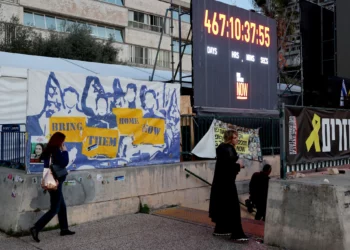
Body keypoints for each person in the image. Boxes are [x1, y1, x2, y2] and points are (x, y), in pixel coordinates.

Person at [30, 132, 75, 243]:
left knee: (62, 206)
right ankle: (36, 228)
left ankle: (64, 229)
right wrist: (64, 150)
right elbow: (64, 162)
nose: (64, 143)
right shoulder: (55, 151)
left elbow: (47, 167)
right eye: (63, 141)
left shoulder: (48, 150)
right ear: (59, 141)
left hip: (51, 181)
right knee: (55, 209)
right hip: (55, 183)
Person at [209, 130, 248, 243]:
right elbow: (228, 167)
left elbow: (224, 165)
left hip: (219, 183)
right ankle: (237, 234)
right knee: (233, 208)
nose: (237, 139)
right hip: (227, 184)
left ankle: (221, 229)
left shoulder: (222, 148)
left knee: (222, 205)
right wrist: (239, 165)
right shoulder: (229, 149)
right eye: (235, 137)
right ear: (230, 139)